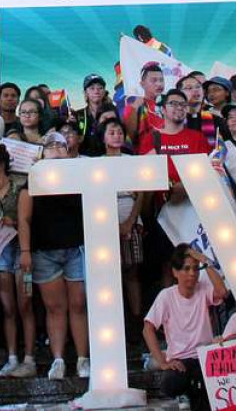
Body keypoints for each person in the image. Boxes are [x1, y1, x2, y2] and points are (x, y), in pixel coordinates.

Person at [18, 132, 90, 380]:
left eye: (61, 145)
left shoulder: (80, 176)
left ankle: (83, 359)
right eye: (51, 145)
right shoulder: (32, 181)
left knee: (79, 305)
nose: (57, 149)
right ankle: (58, 360)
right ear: (42, 152)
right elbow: (24, 220)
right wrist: (25, 251)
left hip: (76, 248)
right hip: (44, 252)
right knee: (55, 308)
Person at [143, 244, 228, 411]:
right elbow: (147, 328)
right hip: (180, 360)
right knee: (172, 383)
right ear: (175, 272)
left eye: (196, 269)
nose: (192, 274)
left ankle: (191, 394)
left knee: (204, 394)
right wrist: (162, 362)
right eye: (186, 269)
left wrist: (205, 261)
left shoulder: (203, 287)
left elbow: (222, 292)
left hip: (204, 357)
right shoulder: (166, 296)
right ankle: (185, 392)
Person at [139, 89, 211, 285]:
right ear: (163, 109)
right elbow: (145, 175)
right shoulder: (151, 138)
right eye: (173, 104)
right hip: (164, 215)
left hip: (194, 213)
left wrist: (185, 187)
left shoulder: (197, 138)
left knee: (196, 265)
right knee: (168, 267)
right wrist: (171, 186)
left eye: (183, 104)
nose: (179, 108)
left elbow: (208, 173)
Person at [0, 145, 36, 378]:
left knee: (25, 306)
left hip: (20, 249)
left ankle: (29, 358)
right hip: (0, 251)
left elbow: (26, 221)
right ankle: (12, 357)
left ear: (0, 166)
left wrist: (25, 249)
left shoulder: (19, 190)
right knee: (8, 308)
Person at [101, 118, 145, 335]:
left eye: (119, 132)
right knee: (109, 275)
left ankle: (136, 322)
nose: (117, 135)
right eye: (111, 132)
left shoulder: (132, 161)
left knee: (132, 273)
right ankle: (115, 323)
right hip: (104, 222)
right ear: (103, 137)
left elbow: (141, 194)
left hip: (131, 220)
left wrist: (130, 222)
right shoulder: (95, 163)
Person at [177, 73, 225, 148]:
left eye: (198, 87)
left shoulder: (216, 120)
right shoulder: (172, 121)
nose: (195, 90)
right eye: (189, 88)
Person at [123, 63, 165, 150]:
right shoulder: (134, 107)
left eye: (161, 80)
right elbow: (128, 136)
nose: (159, 84)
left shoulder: (169, 105)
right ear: (142, 84)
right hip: (145, 160)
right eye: (154, 80)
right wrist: (135, 107)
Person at [74, 73, 113, 156]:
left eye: (100, 88)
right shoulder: (77, 115)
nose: (96, 91)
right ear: (85, 93)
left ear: (104, 92)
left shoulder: (112, 113)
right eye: (92, 88)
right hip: (84, 160)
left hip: (108, 158)